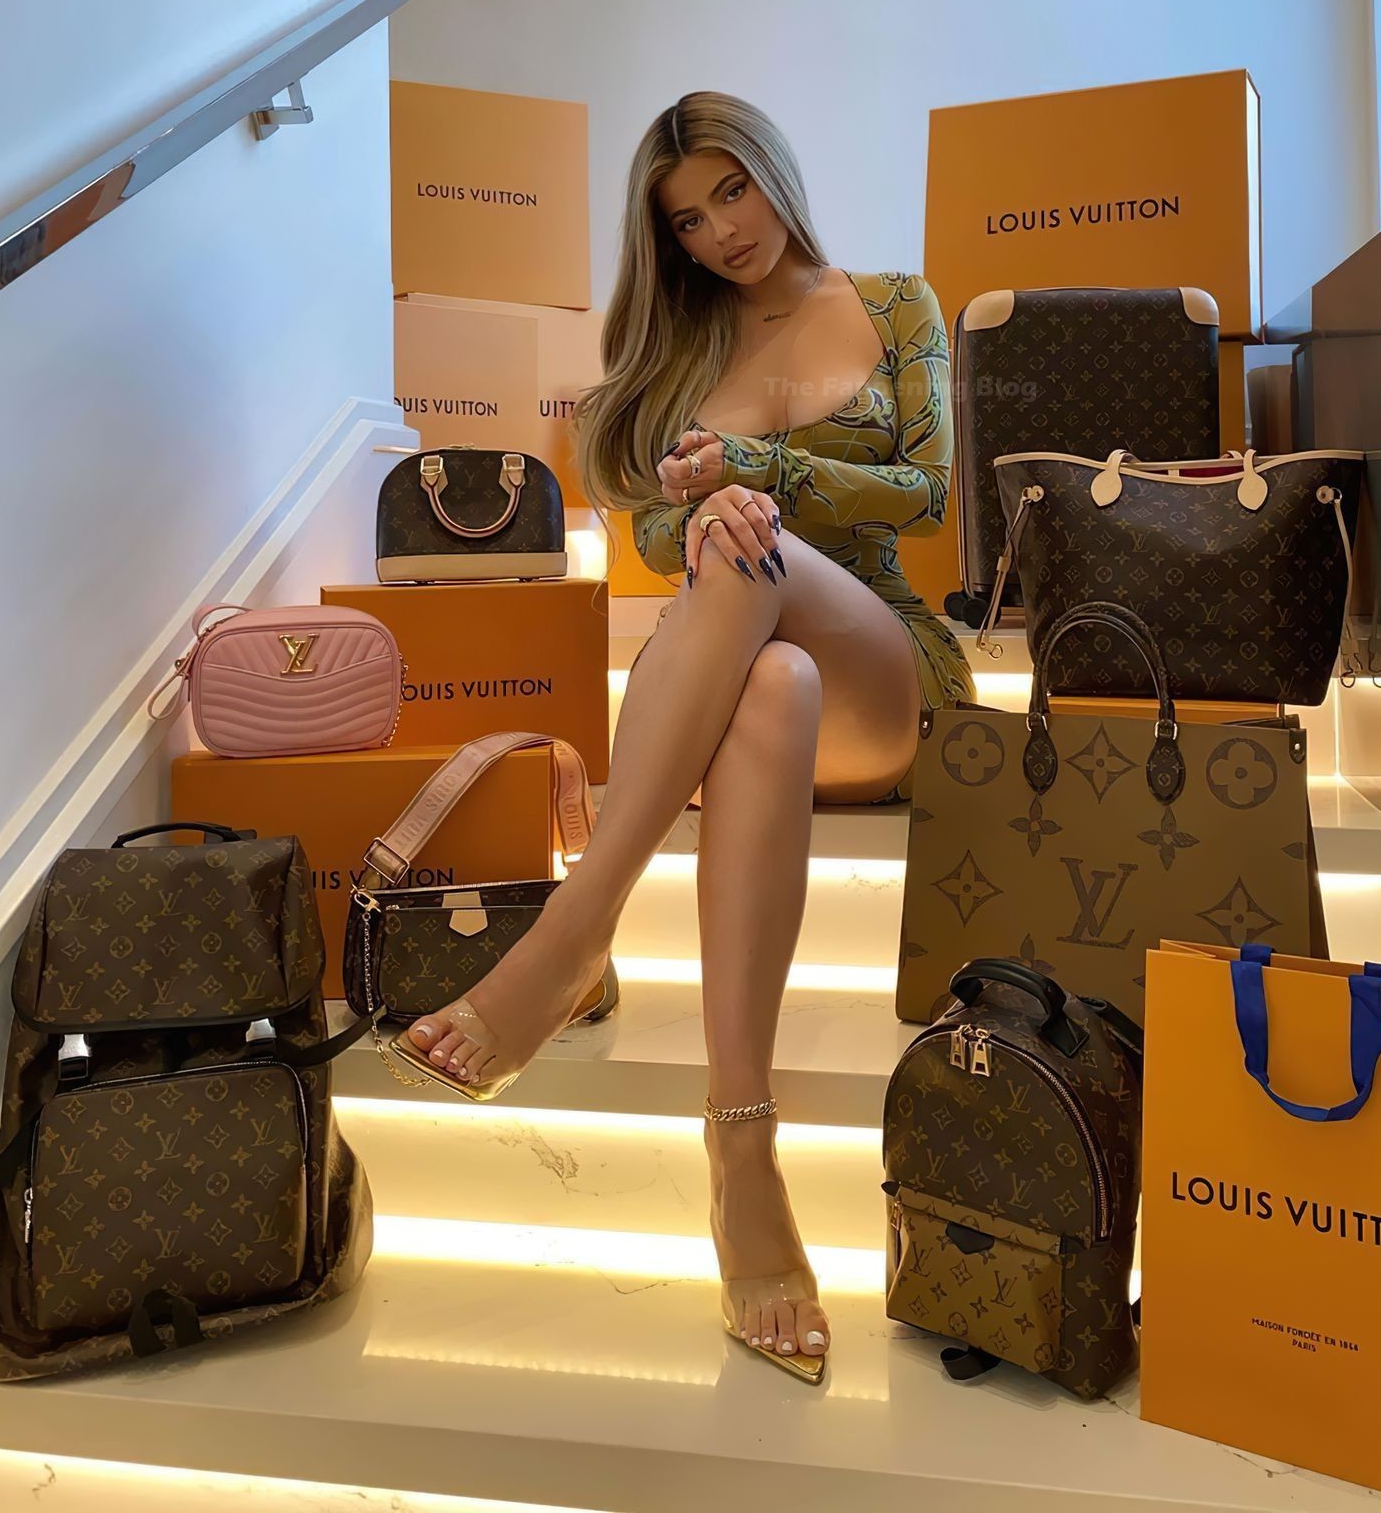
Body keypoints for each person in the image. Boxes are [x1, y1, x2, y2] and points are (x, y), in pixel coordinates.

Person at [397, 92, 973, 1383]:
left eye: (731, 192)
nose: (720, 233)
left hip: (881, 660)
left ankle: (573, 929)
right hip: (758, 680)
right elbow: (656, 539)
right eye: (687, 221)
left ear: (773, 172)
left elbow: (929, 493)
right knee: (763, 672)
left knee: (749, 550)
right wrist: (690, 510)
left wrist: (761, 482)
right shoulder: (677, 345)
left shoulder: (895, 305)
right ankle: (740, 1141)